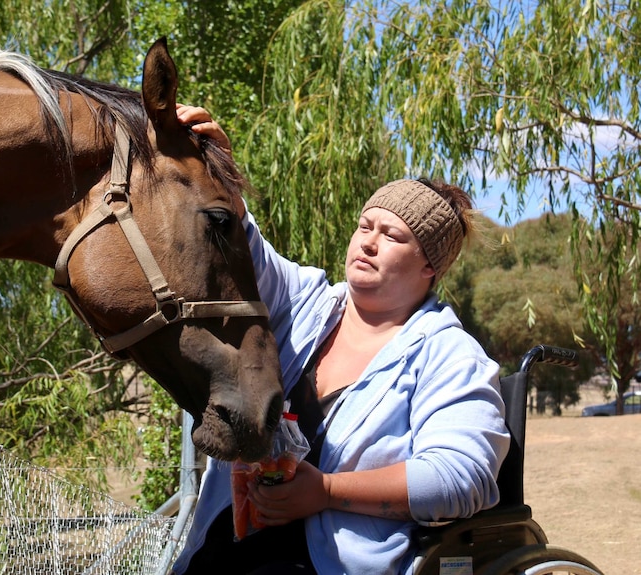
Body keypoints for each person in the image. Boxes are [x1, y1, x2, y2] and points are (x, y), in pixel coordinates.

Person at [171, 105, 511, 575]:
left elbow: (461, 477)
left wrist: (324, 492)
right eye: (364, 226)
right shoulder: (307, 304)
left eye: (391, 235)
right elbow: (245, 253)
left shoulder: (449, 355)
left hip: (328, 564)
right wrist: (223, 181)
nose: (367, 242)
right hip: (229, 543)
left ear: (430, 265)